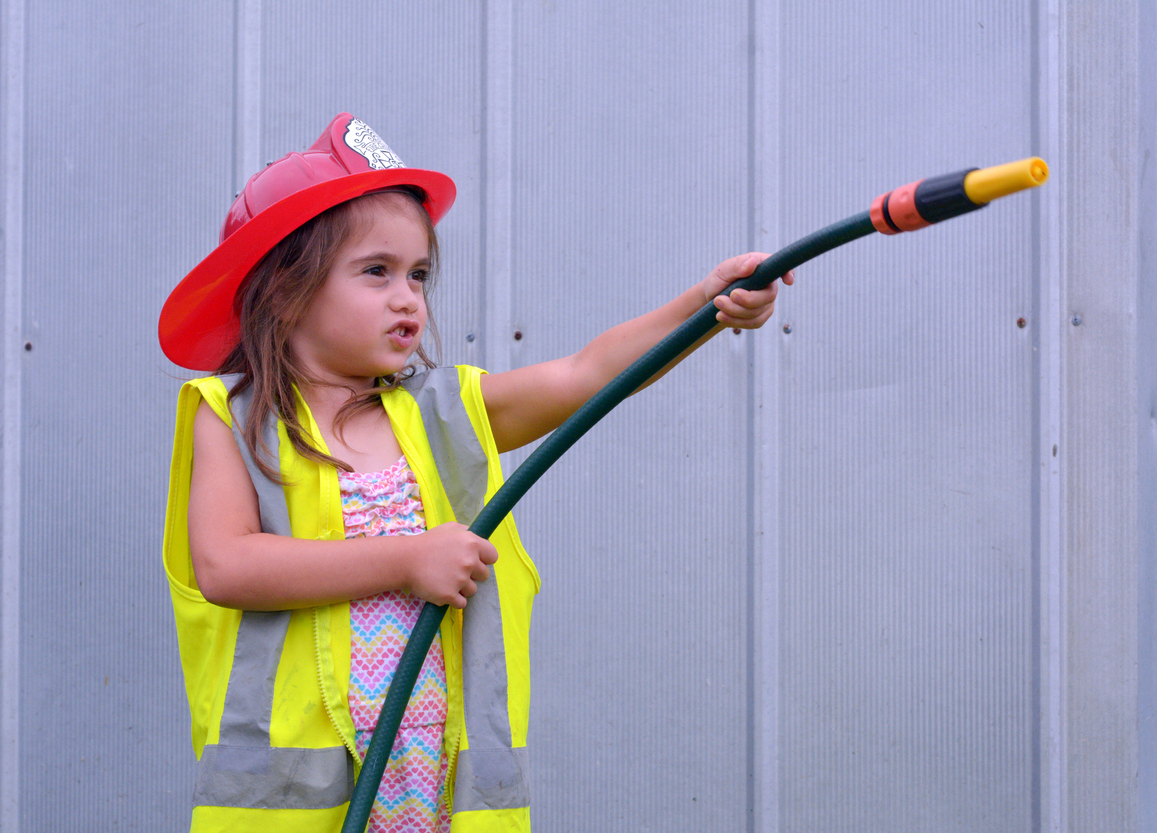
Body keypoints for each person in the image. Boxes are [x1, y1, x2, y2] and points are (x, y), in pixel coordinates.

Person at [159, 112, 792, 833]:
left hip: (435, 796)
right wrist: (407, 558)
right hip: (299, 810)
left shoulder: (446, 413)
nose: (409, 297)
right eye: (377, 272)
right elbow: (227, 565)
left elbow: (586, 374)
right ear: (282, 289)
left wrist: (703, 307)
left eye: (419, 275)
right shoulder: (232, 419)